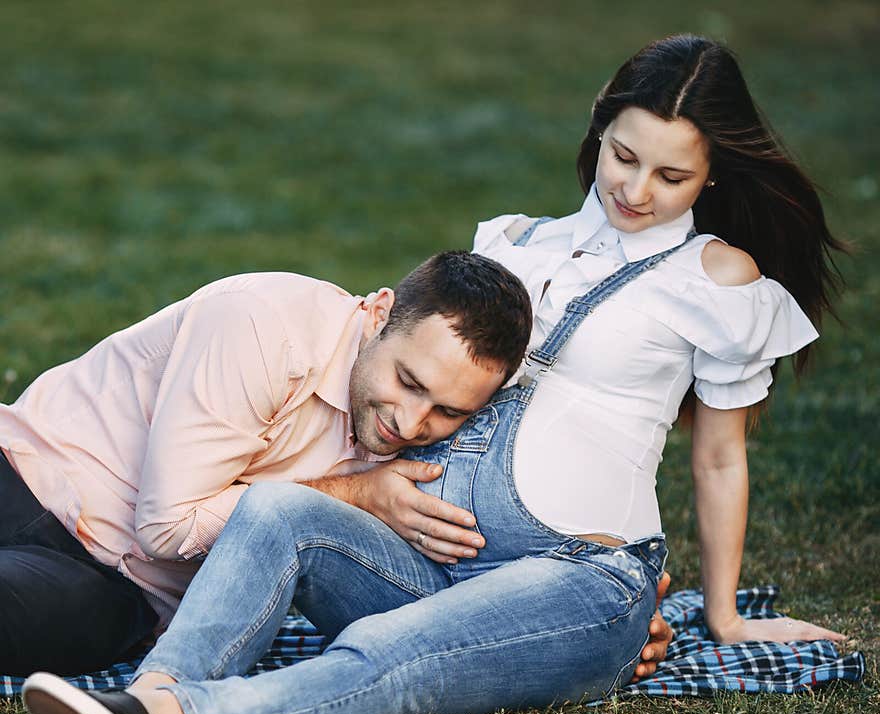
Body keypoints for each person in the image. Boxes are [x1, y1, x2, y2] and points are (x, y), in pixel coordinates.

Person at [23, 33, 845, 714]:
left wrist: (725, 615)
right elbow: (426, 374)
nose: (636, 189)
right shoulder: (517, 245)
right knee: (278, 510)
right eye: (623, 157)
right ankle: (143, 702)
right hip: (430, 563)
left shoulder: (717, 278)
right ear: (599, 132)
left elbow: (720, 454)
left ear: (712, 177)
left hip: (578, 576)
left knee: (385, 652)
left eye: (672, 176)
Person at [0, 251, 536, 674]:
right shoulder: (263, 326)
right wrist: (356, 494)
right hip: (24, 472)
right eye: (408, 382)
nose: (412, 423)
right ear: (378, 315)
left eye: (446, 410)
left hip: (119, 589)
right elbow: (167, 527)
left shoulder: (442, 437)